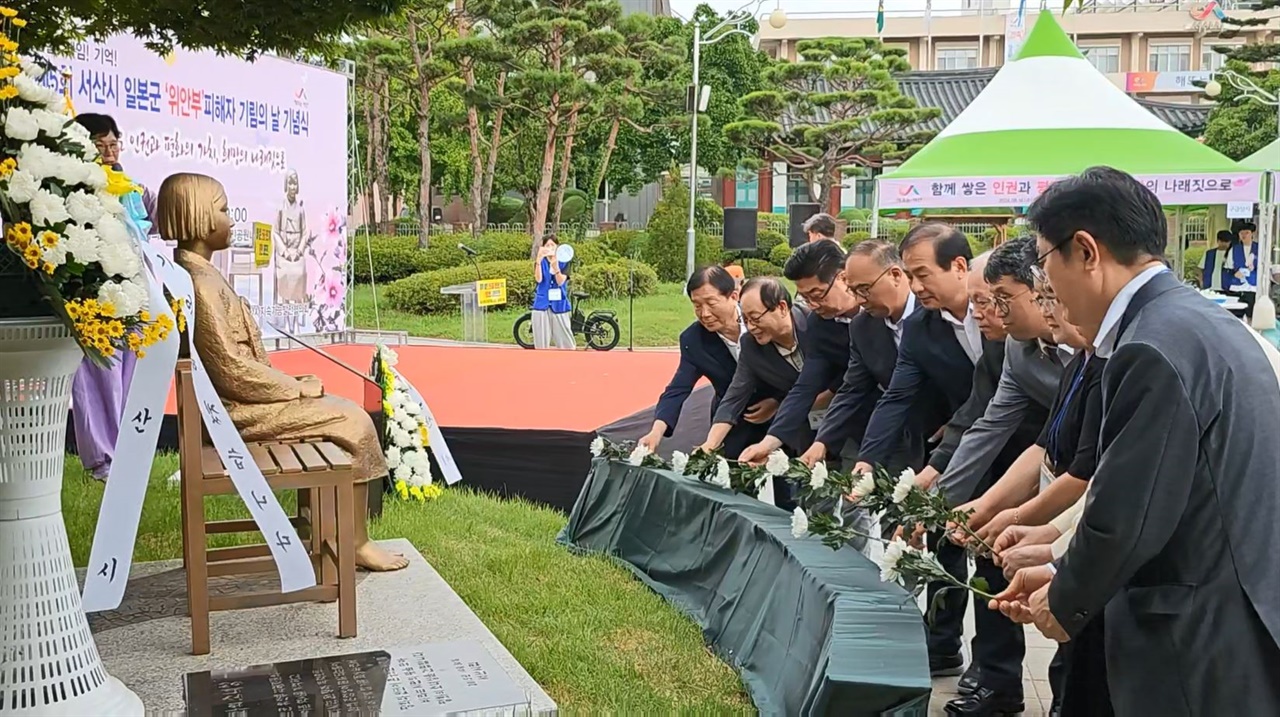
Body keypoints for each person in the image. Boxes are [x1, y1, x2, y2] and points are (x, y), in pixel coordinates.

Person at [992, 167, 1280, 716]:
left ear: (1085, 251)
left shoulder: (1149, 346)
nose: (1049, 290)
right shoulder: (1197, 321)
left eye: (1047, 264)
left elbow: (1129, 512)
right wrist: (1058, 567)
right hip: (1233, 613)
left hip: (1197, 633)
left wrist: (1065, 595)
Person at [850, 223, 985, 681]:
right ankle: (958, 654)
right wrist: (868, 457)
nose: (917, 285)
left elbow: (1001, 394)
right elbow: (897, 397)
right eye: (912, 274)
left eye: (923, 273)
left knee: (1001, 557)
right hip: (953, 446)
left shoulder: (998, 315)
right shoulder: (921, 329)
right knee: (959, 546)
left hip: (1016, 444)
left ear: (960, 266)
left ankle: (995, 671)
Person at [799, 240, 947, 475]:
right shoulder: (862, 326)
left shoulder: (936, 311)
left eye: (865, 289)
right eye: (854, 291)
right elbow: (853, 388)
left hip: (959, 434)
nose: (859, 300)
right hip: (905, 438)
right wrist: (823, 441)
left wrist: (960, 422)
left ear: (895, 275)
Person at [69, 113, 149, 481]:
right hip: (93, 290)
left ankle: (129, 449)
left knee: (132, 361)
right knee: (100, 369)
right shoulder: (74, 186)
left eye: (113, 143)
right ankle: (102, 457)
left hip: (130, 285)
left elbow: (142, 230)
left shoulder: (130, 187)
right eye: (99, 146)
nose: (108, 152)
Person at [700, 278, 819, 508]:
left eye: (755, 318)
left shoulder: (816, 325)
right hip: (798, 432)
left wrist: (781, 403)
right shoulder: (752, 346)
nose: (751, 327)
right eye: (745, 320)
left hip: (844, 424)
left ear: (782, 307)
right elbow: (735, 395)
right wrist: (710, 445)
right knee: (805, 506)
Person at [737, 241, 855, 464]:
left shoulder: (878, 316)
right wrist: (769, 442)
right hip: (855, 425)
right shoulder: (819, 324)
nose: (813, 304)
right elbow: (805, 386)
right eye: (805, 297)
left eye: (818, 294)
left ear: (843, 278)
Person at [638, 266, 771, 459]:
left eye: (711, 303)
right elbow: (677, 389)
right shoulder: (693, 340)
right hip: (730, 424)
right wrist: (656, 431)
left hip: (779, 417)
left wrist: (777, 401)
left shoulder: (761, 320)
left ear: (734, 296)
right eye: (697, 305)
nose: (705, 313)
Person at [274, 169, 309, 332]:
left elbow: (305, 232)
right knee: (285, 276)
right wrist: (286, 252)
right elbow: (275, 232)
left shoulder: (301, 210)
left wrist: (299, 251)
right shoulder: (280, 209)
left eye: (295, 183)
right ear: (285, 185)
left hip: (297, 253)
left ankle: (295, 321)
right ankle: (287, 320)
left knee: (300, 274)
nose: (292, 186)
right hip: (285, 254)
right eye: (290, 182)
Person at [531, 235, 575, 350]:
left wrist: (556, 268)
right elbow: (538, 279)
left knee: (566, 343)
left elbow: (560, 282)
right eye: (547, 245)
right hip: (542, 304)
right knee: (541, 343)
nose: (550, 248)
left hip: (559, 304)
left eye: (552, 245)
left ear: (557, 247)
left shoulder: (564, 261)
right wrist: (538, 261)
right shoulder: (540, 262)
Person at [1226, 221, 1259, 315]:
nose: (1244, 235)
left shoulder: (1259, 248)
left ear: (1252, 233)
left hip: (1253, 286)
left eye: (1247, 233)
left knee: (1251, 314)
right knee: (1236, 314)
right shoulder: (1234, 249)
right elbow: (1228, 268)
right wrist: (1234, 273)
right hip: (1237, 286)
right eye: (1241, 233)